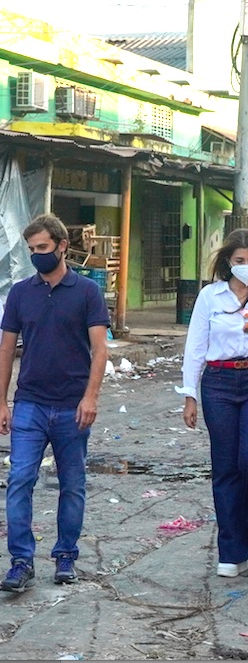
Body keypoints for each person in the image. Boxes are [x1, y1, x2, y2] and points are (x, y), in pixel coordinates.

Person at [0, 213, 110, 592]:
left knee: (73, 484)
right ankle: (20, 561)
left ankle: (65, 556)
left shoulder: (86, 293)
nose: (37, 255)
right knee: (19, 481)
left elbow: (100, 350)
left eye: (43, 248)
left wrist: (91, 397)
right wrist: (1, 402)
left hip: (71, 405)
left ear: (62, 246)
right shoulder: (20, 293)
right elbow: (5, 349)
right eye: (32, 249)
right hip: (29, 403)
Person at [180, 229, 248, 578]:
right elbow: (196, 346)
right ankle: (232, 549)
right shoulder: (209, 297)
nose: (246, 267)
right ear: (227, 262)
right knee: (226, 467)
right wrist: (189, 394)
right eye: (239, 261)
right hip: (219, 384)